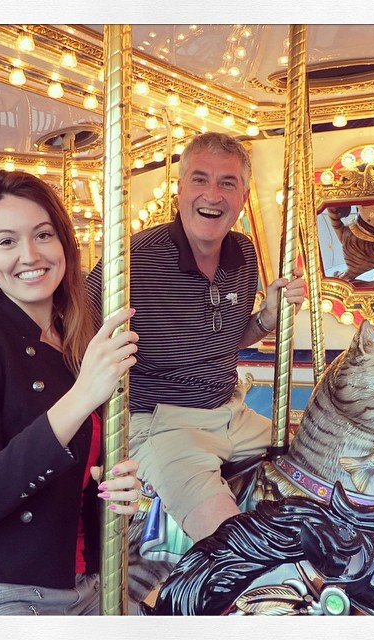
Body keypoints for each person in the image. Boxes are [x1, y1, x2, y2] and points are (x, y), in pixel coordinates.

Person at [0, 170, 141, 616]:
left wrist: (119, 492)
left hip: (82, 584)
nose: (30, 254)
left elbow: (78, 480)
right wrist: (81, 397)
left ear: (64, 246)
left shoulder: (80, 344)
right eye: (7, 241)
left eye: (43, 235)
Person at [86, 132, 305, 543]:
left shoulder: (242, 253)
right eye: (200, 179)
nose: (213, 194)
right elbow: (76, 328)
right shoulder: (136, 259)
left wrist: (268, 318)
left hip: (230, 415)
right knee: (235, 546)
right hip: (159, 423)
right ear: (180, 189)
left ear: (243, 197)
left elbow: (227, 337)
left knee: (319, 465)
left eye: (228, 183)